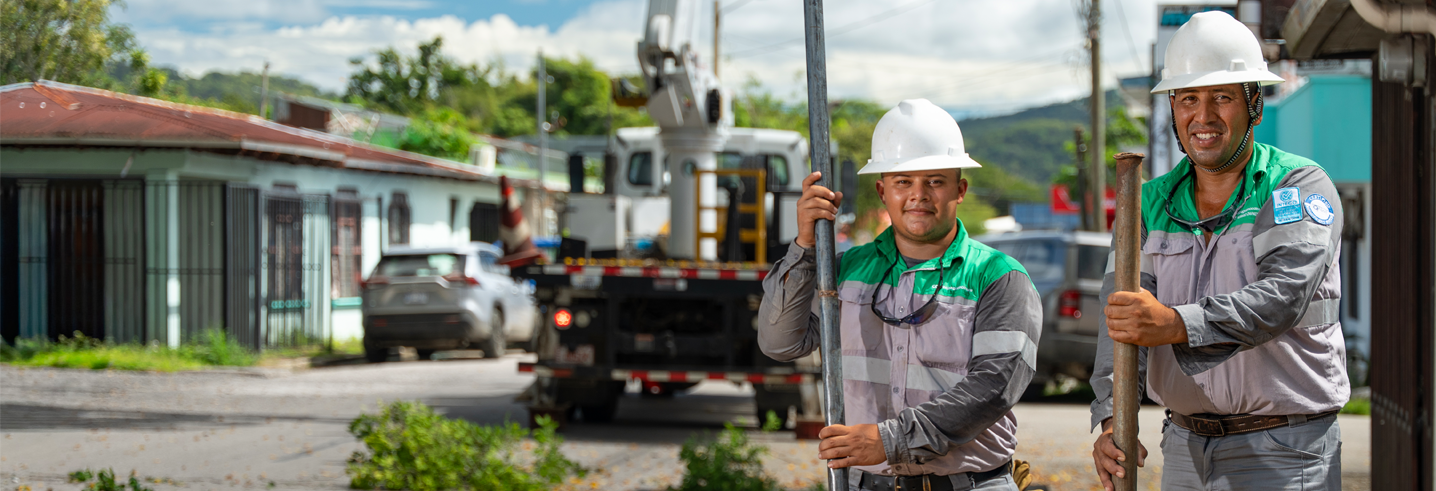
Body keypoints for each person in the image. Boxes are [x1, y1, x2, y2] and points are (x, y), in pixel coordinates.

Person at [1088, 11, 1348, 491]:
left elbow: (1283, 296)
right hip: (1186, 448)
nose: (1202, 117)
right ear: (1171, 106)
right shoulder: (1148, 203)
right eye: (1188, 98)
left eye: (1222, 97)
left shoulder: (1294, 187)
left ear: (1255, 104)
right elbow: (1121, 320)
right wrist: (1109, 419)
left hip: (1287, 451)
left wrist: (1176, 323)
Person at [758, 98, 1042, 491]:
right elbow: (779, 343)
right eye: (903, 181)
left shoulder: (999, 278)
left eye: (935, 181)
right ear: (882, 190)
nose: (918, 196)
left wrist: (891, 441)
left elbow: (994, 387)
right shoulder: (845, 270)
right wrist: (805, 245)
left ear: (959, 189)